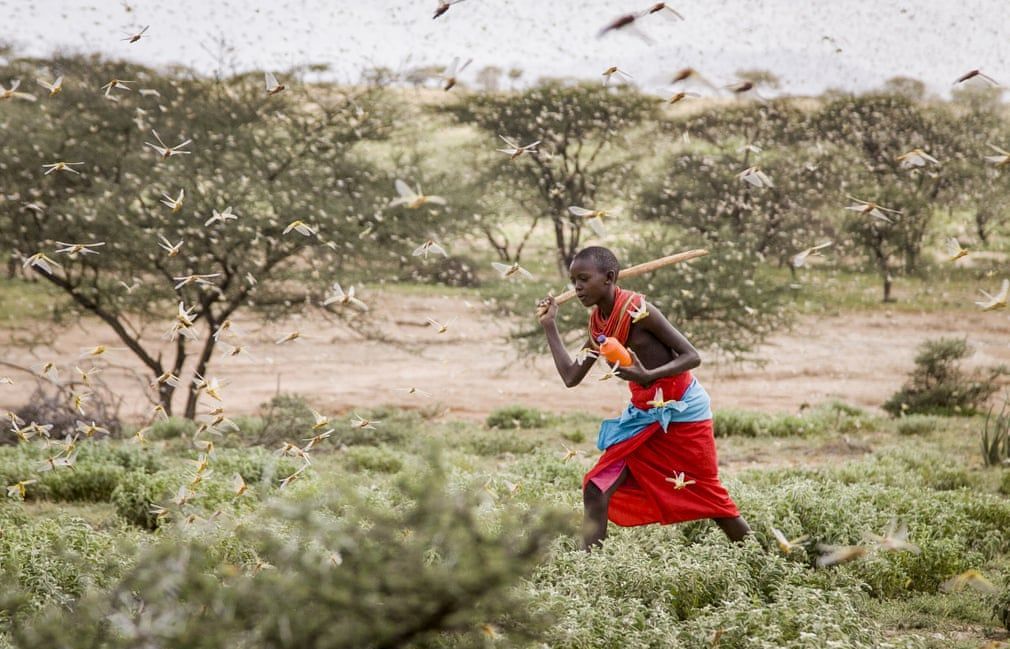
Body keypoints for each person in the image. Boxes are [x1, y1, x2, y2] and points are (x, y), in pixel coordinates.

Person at [535, 246, 750, 550]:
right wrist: (549, 326)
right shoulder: (598, 325)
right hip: (644, 417)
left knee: (709, 497)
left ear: (609, 277)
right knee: (596, 488)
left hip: (684, 413)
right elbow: (571, 376)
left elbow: (691, 356)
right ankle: (586, 570)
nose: (577, 288)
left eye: (583, 279)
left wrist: (649, 375)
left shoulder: (639, 311)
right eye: (574, 281)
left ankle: (759, 556)